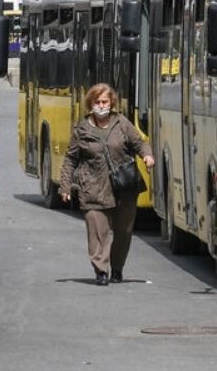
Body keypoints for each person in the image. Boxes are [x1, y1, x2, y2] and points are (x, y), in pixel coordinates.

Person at [58, 83, 155, 286]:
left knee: (123, 232)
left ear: (111, 103)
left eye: (105, 101)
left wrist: (147, 156)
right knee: (97, 231)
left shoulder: (122, 123)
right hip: (92, 187)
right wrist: (65, 186)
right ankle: (101, 270)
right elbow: (70, 159)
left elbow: (139, 143)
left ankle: (117, 267)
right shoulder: (82, 130)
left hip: (124, 188)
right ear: (90, 104)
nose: (101, 105)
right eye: (97, 102)